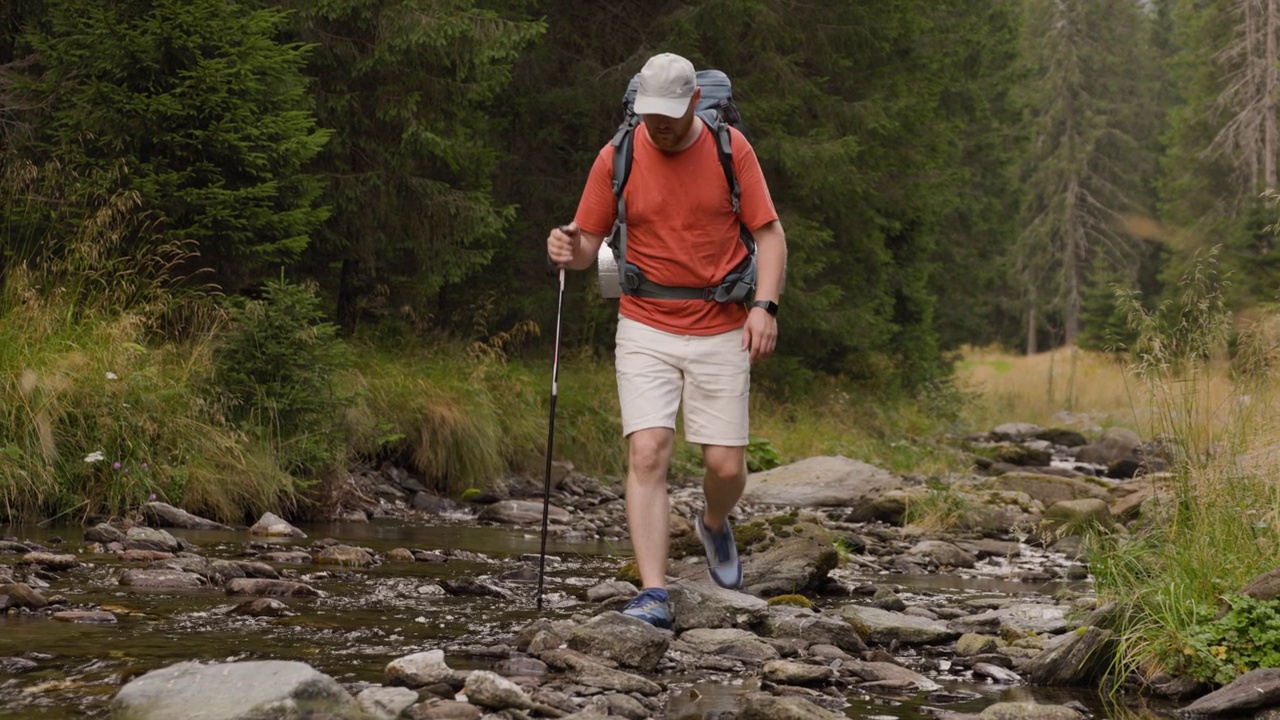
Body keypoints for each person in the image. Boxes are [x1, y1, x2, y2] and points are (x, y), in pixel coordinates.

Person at [546, 52, 786, 629]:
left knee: (726, 467)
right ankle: (653, 591)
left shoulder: (732, 150)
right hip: (645, 323)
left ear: (694, 104)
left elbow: (770, 237)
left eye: (671, 118)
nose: (661, 127)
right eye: (651, 116)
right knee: (648, 450)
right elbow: (587, 246)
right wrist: (566, 249)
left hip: (723, 322)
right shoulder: (618, 154)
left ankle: (712, 524)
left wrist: (765, 308)